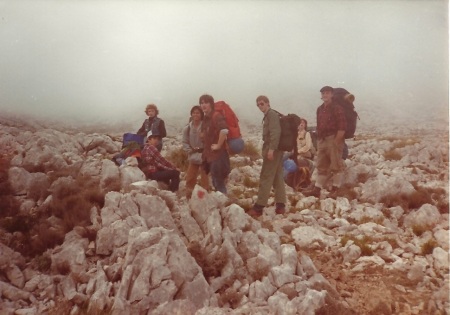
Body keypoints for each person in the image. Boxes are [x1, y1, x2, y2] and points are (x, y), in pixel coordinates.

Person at [303, 86, 346, 198]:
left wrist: (336, 142)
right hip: (322, 140)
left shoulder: (337, 108)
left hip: (333, 139)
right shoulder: (320, 109)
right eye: (323, 93)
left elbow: (342, 127)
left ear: (332, 94)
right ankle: (317, 190)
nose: (325, 95)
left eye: (327, 93)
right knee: (321, 166)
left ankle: (335, 190)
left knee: (336, 165)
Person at [248, 95, 286, 217]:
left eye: (262, 103)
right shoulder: (269, 115)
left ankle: (259, 207)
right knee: (277, 176)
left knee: (266, 176)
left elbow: (276, 132)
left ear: (268, 103)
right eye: (258, 104)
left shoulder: (271, 115)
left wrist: (271, 150)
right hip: (276, 150)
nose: (260, 106)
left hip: (273, 150)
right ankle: (281, 205)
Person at [199, 94, 230, 195]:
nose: (203, 105)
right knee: (215, 180)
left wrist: (218, 145)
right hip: (210, 156)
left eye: (206, 103)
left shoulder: (216, 115)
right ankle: (222, 202)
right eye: (202, 103)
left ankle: (224, 203)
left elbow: (224, 130)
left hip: (219, 155)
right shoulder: (205, 119)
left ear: (211, 104)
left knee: (218, 181)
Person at [182, 105, 210, 198]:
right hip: (193, 155)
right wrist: (189, 151)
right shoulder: (187, 128)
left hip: (204, 155)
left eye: (197, 113)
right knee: (190, 177)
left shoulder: (206, 127)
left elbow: (210, 140)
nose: (195, 114)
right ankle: (189, 194)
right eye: (194, 113)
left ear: (201, 114)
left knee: (204, 176)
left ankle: (206, 195)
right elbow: (185, 141)